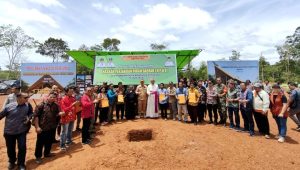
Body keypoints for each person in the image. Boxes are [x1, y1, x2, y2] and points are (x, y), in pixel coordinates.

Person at [0, 93, 32, 170]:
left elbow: (31, 113)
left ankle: (21, 164)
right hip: (9, 132)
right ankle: (12, 161)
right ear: (19, 98)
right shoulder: (8, 107)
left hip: (21, 131)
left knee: (22, 147)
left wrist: (29, 118)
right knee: (10, 148)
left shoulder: (28, 105)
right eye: (26, 97)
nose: (28, 98)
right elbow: (0, 115)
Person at [33, 92, 61, 164]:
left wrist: (60, 114)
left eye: (54, 97)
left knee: (49, 141)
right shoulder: (41, 105)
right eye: (51, 97)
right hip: (42, 128)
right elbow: (36, 116)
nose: (52, 98)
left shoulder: (56, 105)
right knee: (40, 143)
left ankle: (47, 153)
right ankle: (38, 157)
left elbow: (56, 114)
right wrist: (37, 127)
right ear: (47, 97)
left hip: (52, 127)